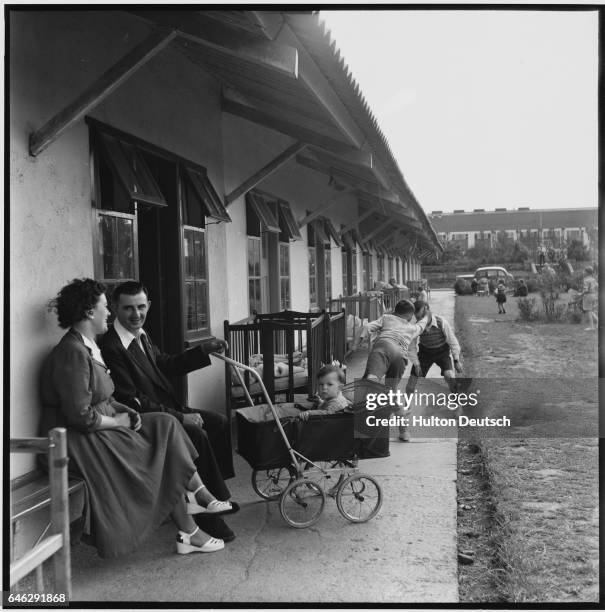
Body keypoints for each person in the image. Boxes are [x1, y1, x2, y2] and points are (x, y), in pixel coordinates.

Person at [40, 279, 228, 558]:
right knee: (161, 453)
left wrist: (122, 409)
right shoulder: (72, 352)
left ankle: (198, 493)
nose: (110, 314)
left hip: (98, 426)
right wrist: (119, 422)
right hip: (77, 440)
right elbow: (79, 416)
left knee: (166, 425)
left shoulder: (88, 345)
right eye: (106, 307)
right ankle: (190, 528)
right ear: (90, 312)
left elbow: (102, 395)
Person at [397, 301, 463, 441]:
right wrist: (416, 364)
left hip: (442, 352)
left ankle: (458, 406)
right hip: (425, 354)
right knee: (410, 384)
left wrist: (456, 360)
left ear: (427, 309)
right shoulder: (416, 326)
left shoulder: (441, 322)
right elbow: (412, 346)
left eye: (420, 314)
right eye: (416, 316)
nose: (419, 318)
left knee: (450, 376)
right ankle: (405, 412)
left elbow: (452, 341)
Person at [362, 299, 430, 390]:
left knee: (372, 377)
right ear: (410, 316)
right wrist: (426, 316)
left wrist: (356, 343)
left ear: (395, 311)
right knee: (391, 388)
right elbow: (421, 326)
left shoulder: (386, 318)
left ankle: (364, 399)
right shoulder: (411, 328)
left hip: (384, 346)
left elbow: (367, 327)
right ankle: (389, 401)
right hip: (400, 356)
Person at [579, 267, 598, 331]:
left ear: (587, 272)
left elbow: (586, 290)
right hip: (594, 295)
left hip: (588, 296)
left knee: (588, 311)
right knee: (591, 310)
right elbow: (597, 286)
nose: (583, 272)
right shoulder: (593, 279)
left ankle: (592, 326)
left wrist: (580, 294)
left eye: (584, 271)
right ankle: (598, 321)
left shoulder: (586, 280)